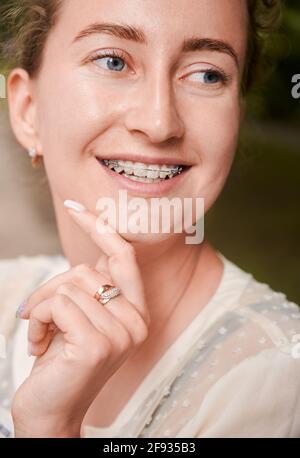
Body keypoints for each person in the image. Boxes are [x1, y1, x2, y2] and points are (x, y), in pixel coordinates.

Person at [0, 0, 299, 438]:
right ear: (27, 110)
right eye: (112, 61)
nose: (160, 123)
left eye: (207, 74)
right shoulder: (7, 295)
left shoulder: (274, 380)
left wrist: (51, 427)